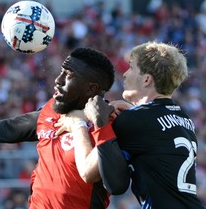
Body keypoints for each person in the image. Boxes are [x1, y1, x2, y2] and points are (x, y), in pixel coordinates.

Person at [0, 47, 130, 209]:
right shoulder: (50, 111)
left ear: (90, 89)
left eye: (68, 76)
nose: (58, 80)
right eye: (61, 72)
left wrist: (83, 125)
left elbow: (117, 183)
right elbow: (13, 128)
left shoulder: (108, 123)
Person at [57, 41, 205, 208]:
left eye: (132, 68)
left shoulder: (135, 120)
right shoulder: (185, 119)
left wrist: (78, 126)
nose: (125, 74)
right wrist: (134, 111)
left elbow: (87, 172)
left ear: (147, 80)